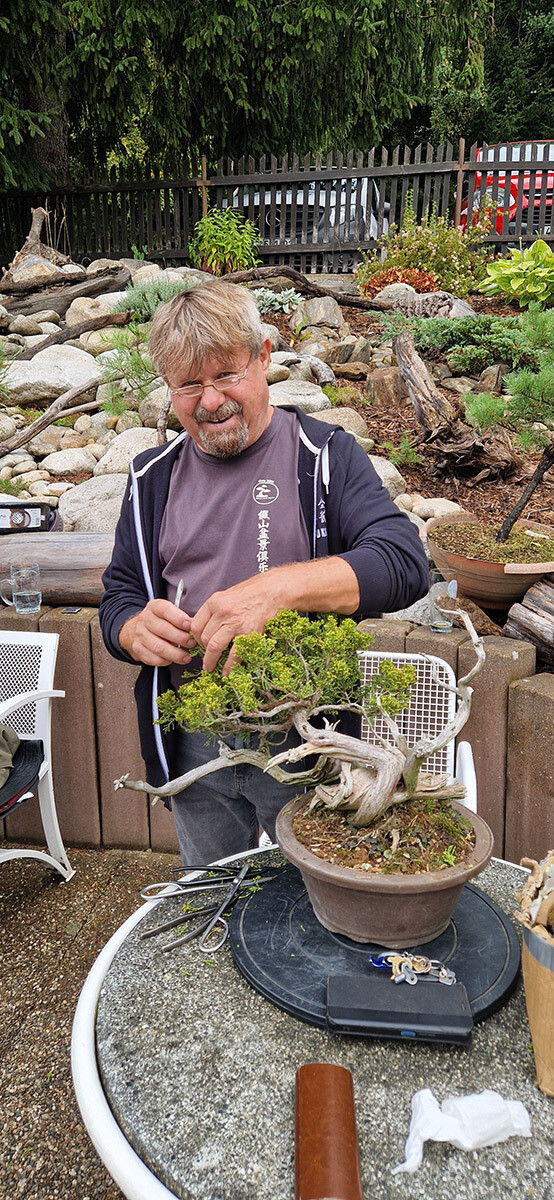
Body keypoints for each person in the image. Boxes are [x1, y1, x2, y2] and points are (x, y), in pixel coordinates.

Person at [100, 279, 428, 863]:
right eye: (188, 385)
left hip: (305, 737)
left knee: (310, 900)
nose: (210, 402)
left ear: (264, 357)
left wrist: (277, 589)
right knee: (209, 892)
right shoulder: (150, 478)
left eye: (226, 374)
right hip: (192, 734)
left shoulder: (324, 456)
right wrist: (130, 630)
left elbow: (404, 561)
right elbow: (119, 594)